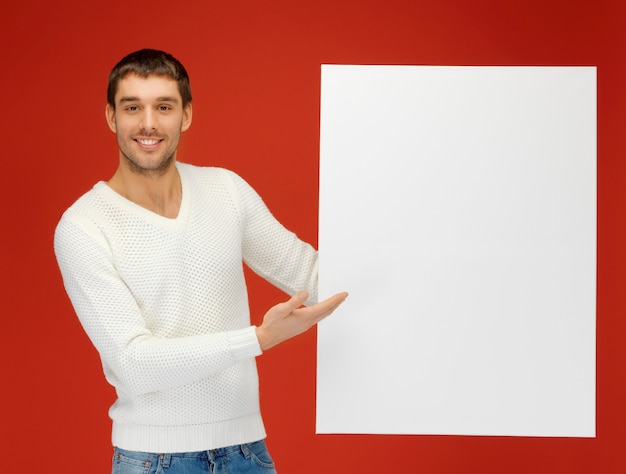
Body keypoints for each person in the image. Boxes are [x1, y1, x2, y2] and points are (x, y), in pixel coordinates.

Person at [54, 48, 348, 474]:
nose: (148, 123)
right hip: (152, 461)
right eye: (133, 107)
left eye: (164, 106)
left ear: (185, 116)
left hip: (247, 452)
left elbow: (313, 274)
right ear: (111, 117)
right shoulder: (83, 226)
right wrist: (258, 339)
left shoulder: (225, 190)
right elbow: (134, 362)